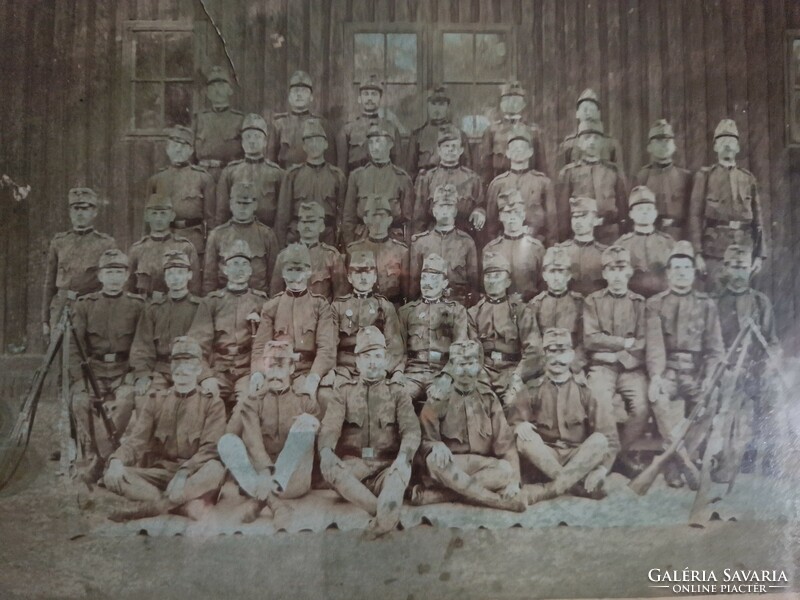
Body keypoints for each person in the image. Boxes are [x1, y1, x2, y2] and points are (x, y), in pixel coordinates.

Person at [104, 336, 226, 521]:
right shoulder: (156, 399)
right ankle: (181, 507)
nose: (182, 369)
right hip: (161, 475)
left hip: (194, 473)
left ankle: (152, 509)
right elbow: (136, 441)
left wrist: (184, 472)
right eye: (177, 363)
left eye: (189, 363)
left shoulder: (212, 403)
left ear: (199, 369)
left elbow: (210, 450)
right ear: (170, 368)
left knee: (215, 470)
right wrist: (116, 461)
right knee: (114, 476)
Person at [318, 326, 420, 536]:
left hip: (387, 467)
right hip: (354, 469)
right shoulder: (343, 391)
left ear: (385, 360)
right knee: (331, 468)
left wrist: (403, 457)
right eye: (366, 357)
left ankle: (380, 519)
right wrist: (326, 451)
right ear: (357, 361)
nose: (372, 362)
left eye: (377, 356)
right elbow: (330, 426)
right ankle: (386, 513)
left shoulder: (398, 392)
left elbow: (411, 430)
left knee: (402, 470)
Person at [645, 241, 725, 487]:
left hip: (696, 373)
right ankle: (686, 464)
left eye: (686, 267)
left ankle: (678, 460)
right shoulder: (655, 304)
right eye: (676, 267)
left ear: (693, 272)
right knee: (657, 398)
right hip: (667, 371)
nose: (681, 272)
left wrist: (710, 378)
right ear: (668, 273)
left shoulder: (707, 304)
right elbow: (655, 347)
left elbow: (715, 350)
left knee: (711, 399)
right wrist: (656, 378)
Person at [508, 328, 619, 504]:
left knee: (600, 441)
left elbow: (609, 436)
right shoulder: (531, 389)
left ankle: (546, 491)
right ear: (544, 355)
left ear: (572, 354)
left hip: (577, 456)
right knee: (524, 439)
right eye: (552, 351)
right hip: (544, 458)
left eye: (563, 351)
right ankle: (575, 485)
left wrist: (603, 469)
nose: (557, 358)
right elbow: (512, 424)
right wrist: (519, 426)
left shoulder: (587, 390)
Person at [415, 340, 526, 512]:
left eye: (471, 363)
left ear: (480, 364)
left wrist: (514, 483)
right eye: (460, 364)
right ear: (451, 366)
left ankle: (441, 496)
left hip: (480, 465)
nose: (466, 369)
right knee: (433, 461)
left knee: (505, 470)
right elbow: (424, 440)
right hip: (450, 465)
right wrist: (435, 445)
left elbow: (506, 445)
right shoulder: (439, 398)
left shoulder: (489, 399)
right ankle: (498, 501)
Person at [217, 341, 321, 523]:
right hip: (259, 480)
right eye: (270, 366)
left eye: (280, 366)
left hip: (292, 483)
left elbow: (316, 441)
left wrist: (314, 423)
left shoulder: (304, 400)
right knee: (226, 442)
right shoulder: (253, 401)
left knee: (306, 423)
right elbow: (253, 441)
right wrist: (265, 473)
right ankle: (276, 505)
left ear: (291, 369)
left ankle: (262, 500)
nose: (274, 373)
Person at [69, 249, 143, 478]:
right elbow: (73, 347)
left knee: (126, 399)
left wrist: (134, 373)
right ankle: (109, 457)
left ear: (126, 275)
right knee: (80, 401)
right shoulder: (85, 305)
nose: (113, 277)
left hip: (123, 370)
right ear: (100, 276)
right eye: (109, 272)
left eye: (118, 272)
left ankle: (99, 461)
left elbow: (142, 344)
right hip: (94, 371)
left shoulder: (138, 304)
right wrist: (80, 380)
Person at [714, 243, 782, 478]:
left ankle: (768, 458)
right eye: (733, 267)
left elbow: (772, 341)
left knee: (772, 395)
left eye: (742, 267)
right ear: (725, 269)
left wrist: (770, 364)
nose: (738, 273)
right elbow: (710, 346)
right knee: (732, 399)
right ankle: (729, 461)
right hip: (727, 369)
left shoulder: (761, 302)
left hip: (756, 368)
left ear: (751, 269)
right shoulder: (715, 302)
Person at [583, 245, 648, 474]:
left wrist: (611, 350)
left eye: (622, 269)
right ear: (604, 274)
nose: (617, 275)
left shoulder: (639, 303)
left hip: (631, 369)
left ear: (630, 271)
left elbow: (641, 343)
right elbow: (590, 340)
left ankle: (616, 456)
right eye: (612, 269)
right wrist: (623, 344)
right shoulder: (593, 301)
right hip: (601, 368)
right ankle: (613, 458)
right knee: (600, 401)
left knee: (641, 406)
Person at [250, 243, 337, 407]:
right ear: (283, 273)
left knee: (325, 399)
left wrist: (314, 377)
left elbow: (326, 348)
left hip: (307, 370)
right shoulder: (272, 306)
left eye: (300, 270)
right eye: (290, 270)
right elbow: (260, 347)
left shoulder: (320, 305)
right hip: (277, 370)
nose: (295, 276)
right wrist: (257, 374)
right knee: (253, 401)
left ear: (309, 272)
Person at [189, 240, 268, 412]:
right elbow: (197, 346)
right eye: (234, 264)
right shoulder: (211, 303)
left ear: (250, 271)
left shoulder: (261, 302)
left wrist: (258, 373)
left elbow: (266, 345)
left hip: (247, 371)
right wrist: (205, 376)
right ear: (225, 269)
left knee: (249, 405)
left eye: (244, 265)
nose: (239, 270)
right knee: (203, 404)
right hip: (218, 370)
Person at [688, 119, 766, 293]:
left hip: (743, 250)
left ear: (738, 147)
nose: (727, 146)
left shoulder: (747, 178)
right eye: (722, 141)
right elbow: (694, 216)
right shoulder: (705, 176)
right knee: (715, 297)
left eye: (731, 141)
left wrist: (760, 254)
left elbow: (758, 219)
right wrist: (698, 253)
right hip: (715, 251)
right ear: (715, 147)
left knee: (742, 297)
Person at [323, 250, 404, 395]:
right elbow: (329, 344)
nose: (363, 277)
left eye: (368, 272)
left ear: (374, 277)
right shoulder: (338, 306)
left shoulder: (384, 306)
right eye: (357, 273)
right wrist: (330, 370)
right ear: (349, 277)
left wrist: (383, 370)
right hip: (344, 368)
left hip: (374, 367)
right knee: (335, 395)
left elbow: (394, 347)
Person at [399, 253, 474, 407]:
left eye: (434, 278)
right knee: (398, 398)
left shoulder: (457, 311)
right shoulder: (407, 311)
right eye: (424, 278)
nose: (428, 283)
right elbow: (398, 350)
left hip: (441, 371)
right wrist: (397, 374)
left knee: (442, 401)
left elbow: (460, 349)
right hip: (412, 373)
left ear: (445, 283)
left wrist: (447, 376)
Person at [42, 187, 116, 340]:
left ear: (94, 212)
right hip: (62, 307)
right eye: (76, 209)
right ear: (70, 212)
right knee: (63, 354)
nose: (80, 213)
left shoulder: (106, 244)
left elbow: (111, 283)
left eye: (85, 209)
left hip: (92, 307)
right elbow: (50, 283)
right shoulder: (59, 242)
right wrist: (45, 319)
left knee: (90, 352)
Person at [130, 250, 201, 398]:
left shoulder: (200, 307)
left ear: (189, 275)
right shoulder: (153, 308)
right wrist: (143, 374)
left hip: (189, 369)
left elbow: (205, 345)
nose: (175, 278)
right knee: (146, 400)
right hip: (160, 370)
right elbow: (142, 346)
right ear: (165, 277)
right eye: (170, 273)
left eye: (180, 273)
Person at [516, 246, 585, 385]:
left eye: (561, 271)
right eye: (552, 271)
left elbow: (584, 342)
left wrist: (571, 364)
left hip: (572, 365)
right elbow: (532, 344)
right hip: (542, 366)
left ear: (569, 275)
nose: (557, 277)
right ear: (544, 275)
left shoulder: (580, 303)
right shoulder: (535, 305)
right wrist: (547, 365)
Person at [273, 118, 346, 248]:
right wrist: (281, 246)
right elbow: (282, 216)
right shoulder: (292, 175)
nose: (314, 145)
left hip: (327, 236)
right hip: (298, 235)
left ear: (325, 144)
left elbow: (342, 215)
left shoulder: (337, 176)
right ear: (304, 147)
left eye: (318, 140)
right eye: (309, 141)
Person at [147, 125, 216, 256]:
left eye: (184, 146)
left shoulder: (203, 178)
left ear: (191, 151)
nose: (179, 149)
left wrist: (210, 248)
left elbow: (211, 219)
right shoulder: (156, 180)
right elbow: (147, 219)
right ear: (167, 149)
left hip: (193, 238)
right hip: (163, 238)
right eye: (175, 145)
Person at [557, 121, 628, 244]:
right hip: (579, 234)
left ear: (602, 142)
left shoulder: (613, 171)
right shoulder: (569, 172)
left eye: (596, 138)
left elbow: (623, 207)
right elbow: (563, 211)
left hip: (609, 233)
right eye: (587, 138)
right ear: (579, 143)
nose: (592, 142)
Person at [342, 124, 414, 246]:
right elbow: (349, 216)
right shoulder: (357, 176)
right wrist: (350, 244)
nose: (374, 147)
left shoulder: (402, 178)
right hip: (362, 239)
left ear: (390, 144)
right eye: (371, 143)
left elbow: (408, 219)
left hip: (393, 241)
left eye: (379, 142)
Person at [467, 252, 525, 402]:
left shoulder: (520, 310)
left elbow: (533, 349)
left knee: (515, 403)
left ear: (508, 281)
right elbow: (474, 350)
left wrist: (517, 377)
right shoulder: (474, 313)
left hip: (511, 370)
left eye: (497, 276)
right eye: (488, 276)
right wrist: (480, 376)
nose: (492, 281)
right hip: (484, 371)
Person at [203, 181, 279, 294]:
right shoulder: (217, 235)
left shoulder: (266, 235)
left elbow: (274, 277)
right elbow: (209, 278)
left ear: (255, 205)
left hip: (258, 301)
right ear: (231, 204)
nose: (242, 208)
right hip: (226, 301)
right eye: (238, 203)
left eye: (247, 203)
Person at [485, 126, 557, 245]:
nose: (518, 151)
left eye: (522, 147)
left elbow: (552, 223)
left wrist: (549, 247)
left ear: (530, 152)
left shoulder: (543, 183)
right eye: (514, 148)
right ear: (507, 153)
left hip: (536, 243)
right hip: (505, 244)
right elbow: (491, 224)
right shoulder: (497, 184)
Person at [409, 184, 479, 306]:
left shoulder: (467, 242)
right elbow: (414, 284)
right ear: (434, 211)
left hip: (458, 305)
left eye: (449, 206)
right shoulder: (420, 243)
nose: (445, 211)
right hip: (428, 305)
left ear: (456, 211)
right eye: (441, 206)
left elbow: (474, 283)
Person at [412, 124, 484, 237]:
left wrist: (479, 212)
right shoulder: (427, 178)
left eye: (454, 146)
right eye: (446, 146)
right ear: (439, 151)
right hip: (434, 236)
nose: (450, 150)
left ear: (461, 150)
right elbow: (418, 217)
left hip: (464, 237)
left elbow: (481, 204)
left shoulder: (473, 179)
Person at [215, 113, 285, 229]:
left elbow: (282, 214)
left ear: (265, 142)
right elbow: (222, 211)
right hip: (236, 233)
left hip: (267, 234)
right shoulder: (230, 172)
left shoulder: (277, 174)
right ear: (242, 142)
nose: (252, 141)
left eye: (257, 137)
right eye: (248, 137)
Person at [269, 201, 346, 301]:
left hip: (322, 314)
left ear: (322, 226)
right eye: (303, 221)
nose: (307, 226)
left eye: (312, 222)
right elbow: (275, 296)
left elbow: (340, 298)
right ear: (298, 226)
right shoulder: (284, 256)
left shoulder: (332, 256)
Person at [127, 194, 200, 298]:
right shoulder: (137, 250)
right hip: (145, 308)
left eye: (163, 213)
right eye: (154, 213)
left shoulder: (185, 247)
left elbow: (194, 289)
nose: (158, 218)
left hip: (175, 308)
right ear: (147, 216)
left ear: (172, 216)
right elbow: (128, 289)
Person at [346, 194, 409, 306]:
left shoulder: (401, 251)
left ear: (390, 220)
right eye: (374, 216)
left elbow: (406, 290)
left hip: (393, 307)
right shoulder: (354, 250)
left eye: (382, 216)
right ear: (365, 219)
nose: (378, 221)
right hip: (362, 307)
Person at [479, 80, 547, 184]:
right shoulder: (492, 131)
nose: (512, 102)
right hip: (500, 183)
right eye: (507, 99)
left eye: (516, 99)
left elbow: (541, 164)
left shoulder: (533, 131)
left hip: (528, 185)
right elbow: (486, 165)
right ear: (501, 104)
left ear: (523, 103)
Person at [483, 189, 545, 302]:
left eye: (516, 212)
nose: (512, 217)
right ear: (500, 217)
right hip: (501, 309)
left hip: (530, 306)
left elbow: (543, 285)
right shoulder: (490, 249)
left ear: (523, 214)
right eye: (507, 213)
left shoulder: (537, 248)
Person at [635, 119, 692, 241]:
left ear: (674, 146)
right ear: (649, 147)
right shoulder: (642, 176)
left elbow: (693, 214)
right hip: (651, 237)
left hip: (679, 236)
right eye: (659, 141)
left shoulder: (685, 176)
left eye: (668, 141)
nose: (664, 145)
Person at [615, 186, 676, 298]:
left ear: (655, 213)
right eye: (640, 209)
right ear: (631, 214)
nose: (644, 213)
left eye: (648, 209)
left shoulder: (668, 242)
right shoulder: (621, 245)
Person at [268, 70, 335, 168]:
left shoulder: (321, 123)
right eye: (295, 91)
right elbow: (271, 160)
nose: (299, 95)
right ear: (289, 97)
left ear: (311, 97)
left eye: (304, 91)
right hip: (285, 176)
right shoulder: (279, 124)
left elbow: (329, 159)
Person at [336, 75, 401, 176]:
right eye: (366, 94)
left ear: (381, 99)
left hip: (384, 181)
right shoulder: (348, 129)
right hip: (357, 182)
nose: (370, 98)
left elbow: (397, 166)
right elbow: (342, 168)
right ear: (359, 98)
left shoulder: (391, 128)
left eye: (374, 94)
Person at [405, 85, 472, 177]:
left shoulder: (459, 135)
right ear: (427, 106)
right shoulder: (417, 136)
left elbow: (467, 170)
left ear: (447, 107)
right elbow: (410, 170)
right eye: (433, 104)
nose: (437, 109)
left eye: (441, 105)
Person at [194, 66, 244, 180]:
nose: (217, 90)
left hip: (230, 175)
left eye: (221, 85)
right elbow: (190, 154)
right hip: (203, 174)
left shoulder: (239, 119)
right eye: (212, 86)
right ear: (207, 93)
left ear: (230, 90)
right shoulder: (199, 119)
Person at [556, 88, 624, 173]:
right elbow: (561, 175)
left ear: (599, 113)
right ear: (577, 114)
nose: (588, 113)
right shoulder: (568, 144)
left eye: (592, 110)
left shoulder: (612, 144)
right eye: (585, 109)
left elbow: (619, 173)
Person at [557, 196, 608, 297]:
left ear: (595, 221)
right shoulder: (561, 251)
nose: (578, 221)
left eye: (583, 217)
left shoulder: (604, 253)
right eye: (575, 217)